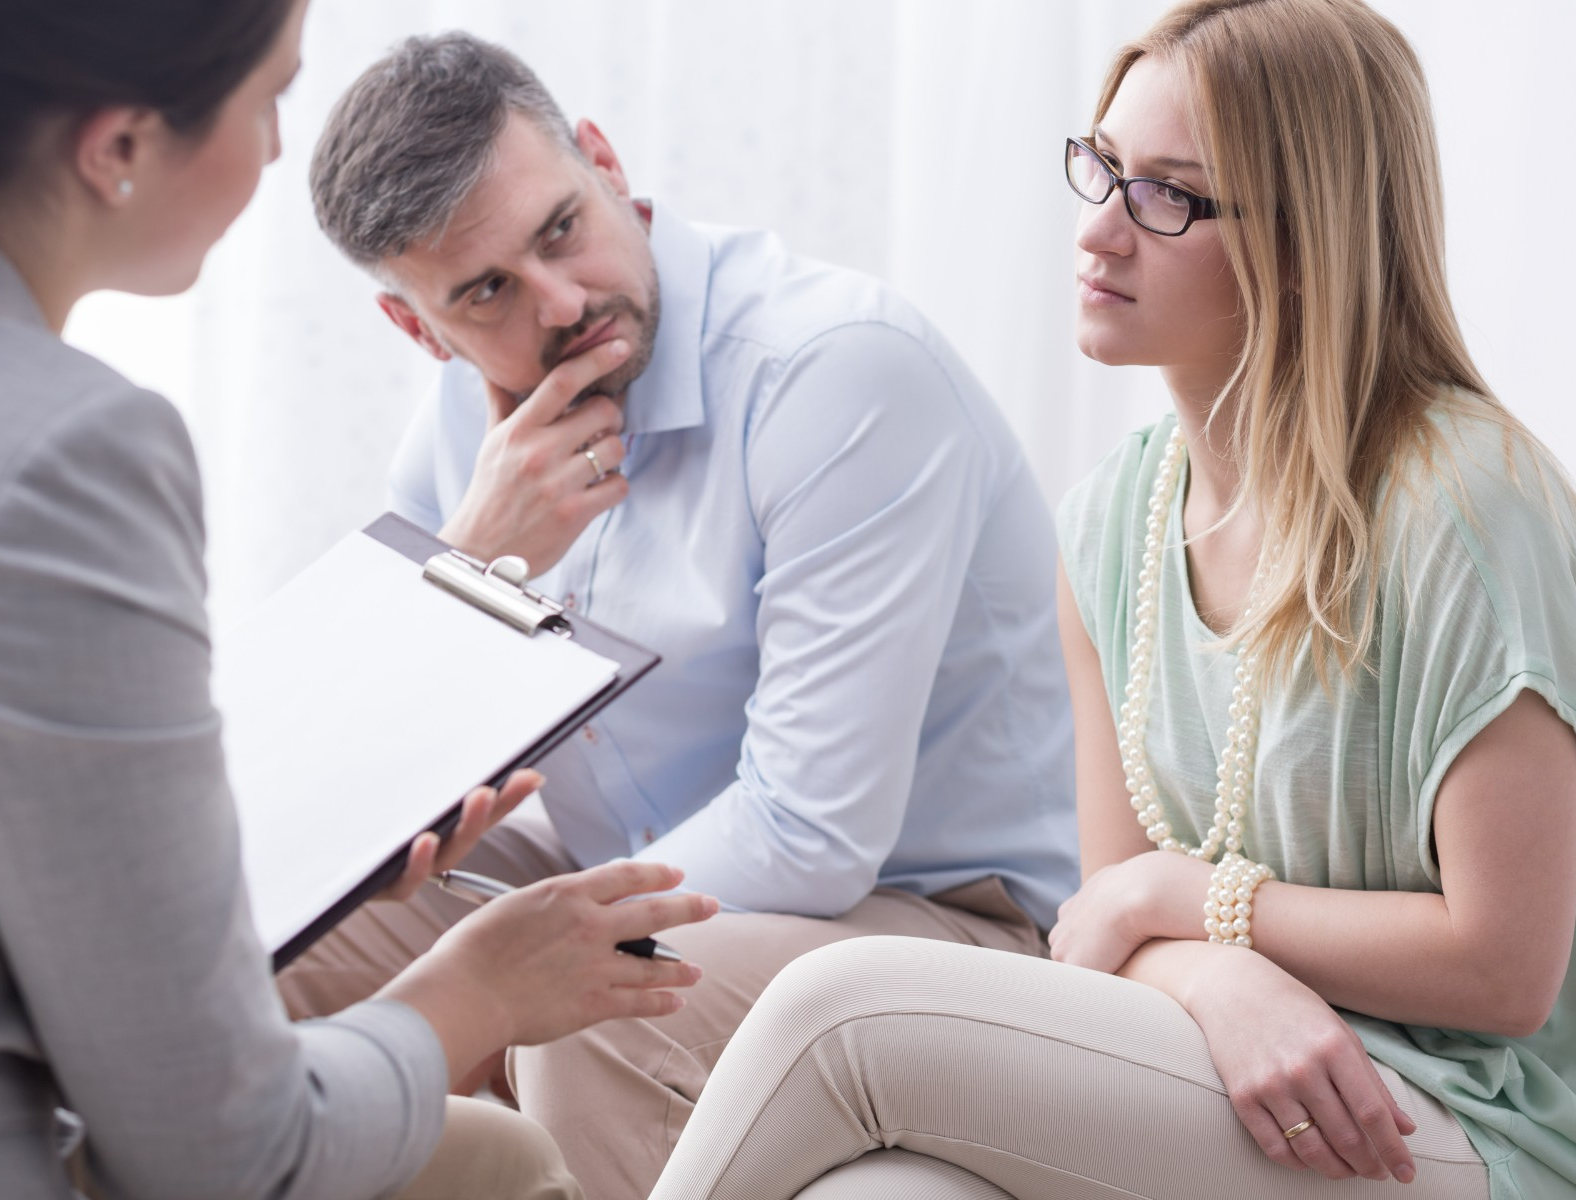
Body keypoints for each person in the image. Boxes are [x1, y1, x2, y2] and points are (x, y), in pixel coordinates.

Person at [647, 1, 1576, 1197]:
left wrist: (1196, 905)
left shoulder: (1471, 508)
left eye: (1168, 194)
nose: (1098, 233)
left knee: (837, 1013)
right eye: (1103, 169)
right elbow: (1102, 929)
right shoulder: (1112, 519)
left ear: (1304, 241)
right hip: (1216, 1055)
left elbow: (1503, 969)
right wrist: (1218, 975)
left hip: (1477, 1131)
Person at [0, 1, 716, 1197]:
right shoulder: (60, 456)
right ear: (118, 150)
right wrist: (477, 988)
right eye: (269, 99)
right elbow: (222, 1150)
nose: (271, 152)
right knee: (503, 1165)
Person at [278, 31, 1082, 1197]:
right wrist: (476, 558)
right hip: (645, 865)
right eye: (489, 290)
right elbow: (364, 782)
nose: (562, 303)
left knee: (596, 1000)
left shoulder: (836, 374)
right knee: (269, 951)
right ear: (419, 328)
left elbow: (810, 835)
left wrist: (512, 970)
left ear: (604, 163)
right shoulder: (460, 434)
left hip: (940, 913)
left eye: (561, 229)